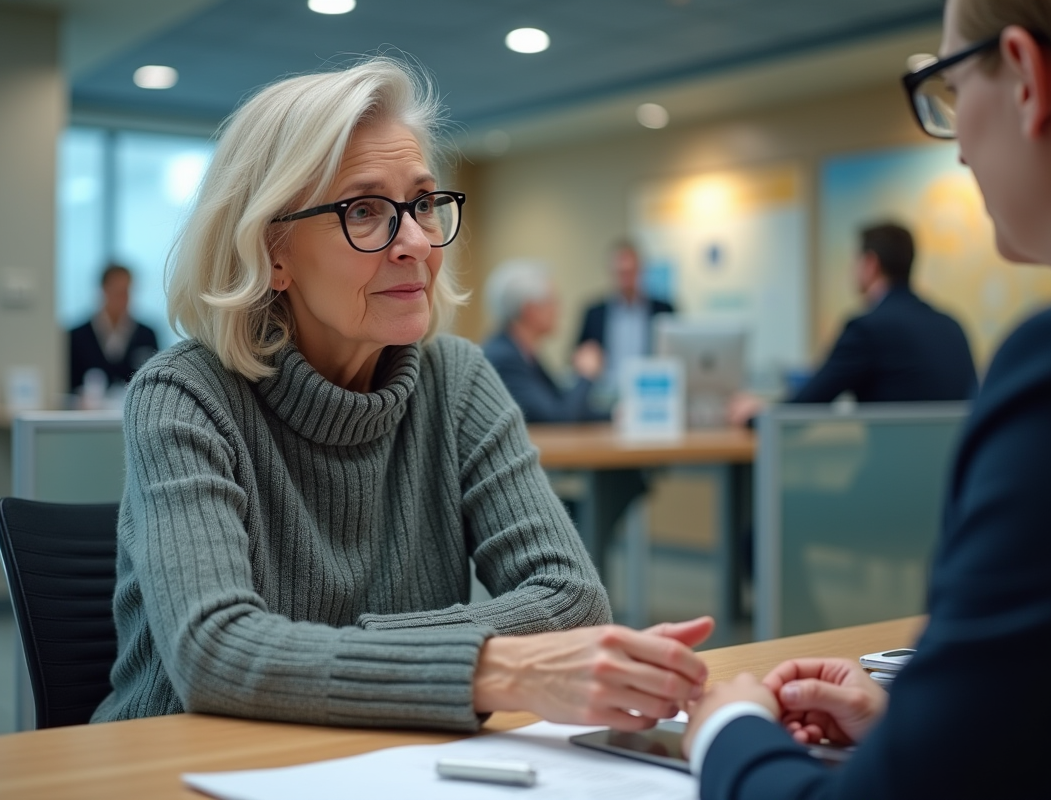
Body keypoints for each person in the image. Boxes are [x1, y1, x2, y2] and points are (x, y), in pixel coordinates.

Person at [91, 58, 715, 734]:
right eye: (365, 211)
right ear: (271, 250)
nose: (416, 242)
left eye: (421, 203)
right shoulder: (184, 394)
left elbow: (571, 602)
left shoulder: (456, 380)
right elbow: (217, 652)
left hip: (388, 757)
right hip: (181, 763)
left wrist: (326, 649)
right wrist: (493, 669)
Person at [684, 1, 1051, 797]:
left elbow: (809, 403)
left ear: (1025, 77)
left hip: (871, 513)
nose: (956, 155)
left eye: (947, 89)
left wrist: (726, 731)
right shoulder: (955, 326)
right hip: (926, 519)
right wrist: (935, 721)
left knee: (761, 528)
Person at [728, 223, 976, 426]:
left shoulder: (867, 329)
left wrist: (755, 415)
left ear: (870, 264)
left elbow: (799, 415)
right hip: (951, 483)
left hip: (887, 480)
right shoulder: (953, 326)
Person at [482, 259, 607, 423]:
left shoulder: (523, 352)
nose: (559, 309)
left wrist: (615, 415)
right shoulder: (504, 358)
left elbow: (563, 402)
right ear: (530, 310)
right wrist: (585, 375)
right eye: (552, 301)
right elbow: (558, 418)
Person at [575, 240, 674, 399]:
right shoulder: (594, 313)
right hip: (604, 398)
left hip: (652, 395)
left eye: (631, 272)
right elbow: (579, 354)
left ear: (641, 270)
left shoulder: (664, 310)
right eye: (621, 272)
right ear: (611, 272)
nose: (626, 278)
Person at [68, 263, 160, 394]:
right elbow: (68, 383)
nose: (122, 298)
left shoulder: (147, 335)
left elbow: (154, 381)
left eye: (125, 292)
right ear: (104, 290)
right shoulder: (77, 336)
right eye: (116, 292)